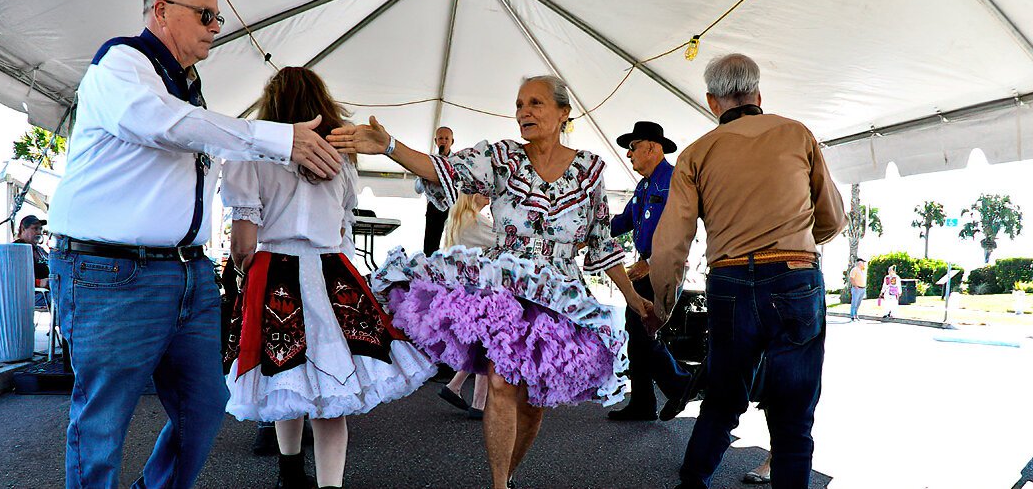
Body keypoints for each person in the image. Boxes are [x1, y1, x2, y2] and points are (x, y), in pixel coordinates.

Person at [46, 0, 343, 486]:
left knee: (205, 407)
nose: (216, 25)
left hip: (187, 269)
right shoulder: (122, 62)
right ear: (161, 10)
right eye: (206, 14)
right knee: (102, 424)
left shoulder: (187, 84)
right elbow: (165, 126)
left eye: (218, 16)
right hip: (111, 271)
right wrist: (278, 139)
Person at [329, 75, 655, 489]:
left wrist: (634, 299)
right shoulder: (501, 157)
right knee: (500, 383)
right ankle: (498, 485)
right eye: (519, 104)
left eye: (536, 103)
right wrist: (390, 146)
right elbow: (443, 170)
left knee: (534, 404)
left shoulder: (590, 170)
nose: (524, 111)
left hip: (559, 296)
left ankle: (511, 475)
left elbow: (602, 244)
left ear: (563, 114)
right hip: (506, 289)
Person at [221, 67, 436, 489]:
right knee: (330, 396)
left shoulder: (253, 155)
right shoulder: (341, 160)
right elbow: (342, 231)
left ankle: (289, 474)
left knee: (285, 382)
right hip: (333, 275)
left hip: (275, 274)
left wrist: (245, 271)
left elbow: (243, 242)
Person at [649, 53, 846, 489]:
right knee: (794, 416)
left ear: (711, 101)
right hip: (795, 277)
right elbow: (832, 219)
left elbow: (669, 246)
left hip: (730, 282)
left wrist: (662, 307)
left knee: (722, 399)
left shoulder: (697, 153)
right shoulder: (797, 134)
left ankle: (692, 482)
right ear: (758, 92)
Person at [607, 121, 698, 422]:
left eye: (633, 147)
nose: (629, 153)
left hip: (662, 266)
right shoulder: (644, 185)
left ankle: (682, 385)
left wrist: (652, 262)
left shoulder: (674, 180)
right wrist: (591, 229)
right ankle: (643, 403)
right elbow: (625, 221)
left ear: (651, 148)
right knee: (637, 331)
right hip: (646, 265)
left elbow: (681, 229)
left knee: (644, 330)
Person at [436, 193, 495, 420]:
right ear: (474, 194)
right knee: (488, 343)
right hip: (479, 289)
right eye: (484, 188)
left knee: (482, 343)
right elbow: (504, 241)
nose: (489, 191)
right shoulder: (475, 221)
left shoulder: (458, 219)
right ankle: (478, 402)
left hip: (464, 290)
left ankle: (456, 386)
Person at [421, 127, 456, 255]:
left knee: (453, 241)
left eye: (447, 138)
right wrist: (422, 177)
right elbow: (418, 189)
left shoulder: (457, 161)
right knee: (430, 245)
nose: (444, 141)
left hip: (453, 206)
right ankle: (430, 267)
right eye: (441, 138)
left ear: (452, 141)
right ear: (436, 141)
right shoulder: (428, 161)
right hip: (434, 207)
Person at [15, 215, 50, 306]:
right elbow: (14, 279)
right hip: (30, 296)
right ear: (23, 229)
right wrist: (39, 282)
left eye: (40, 229)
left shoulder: (40, 250)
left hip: (47, 292)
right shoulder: (16, 249)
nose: (39, 232)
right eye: (35, 229)